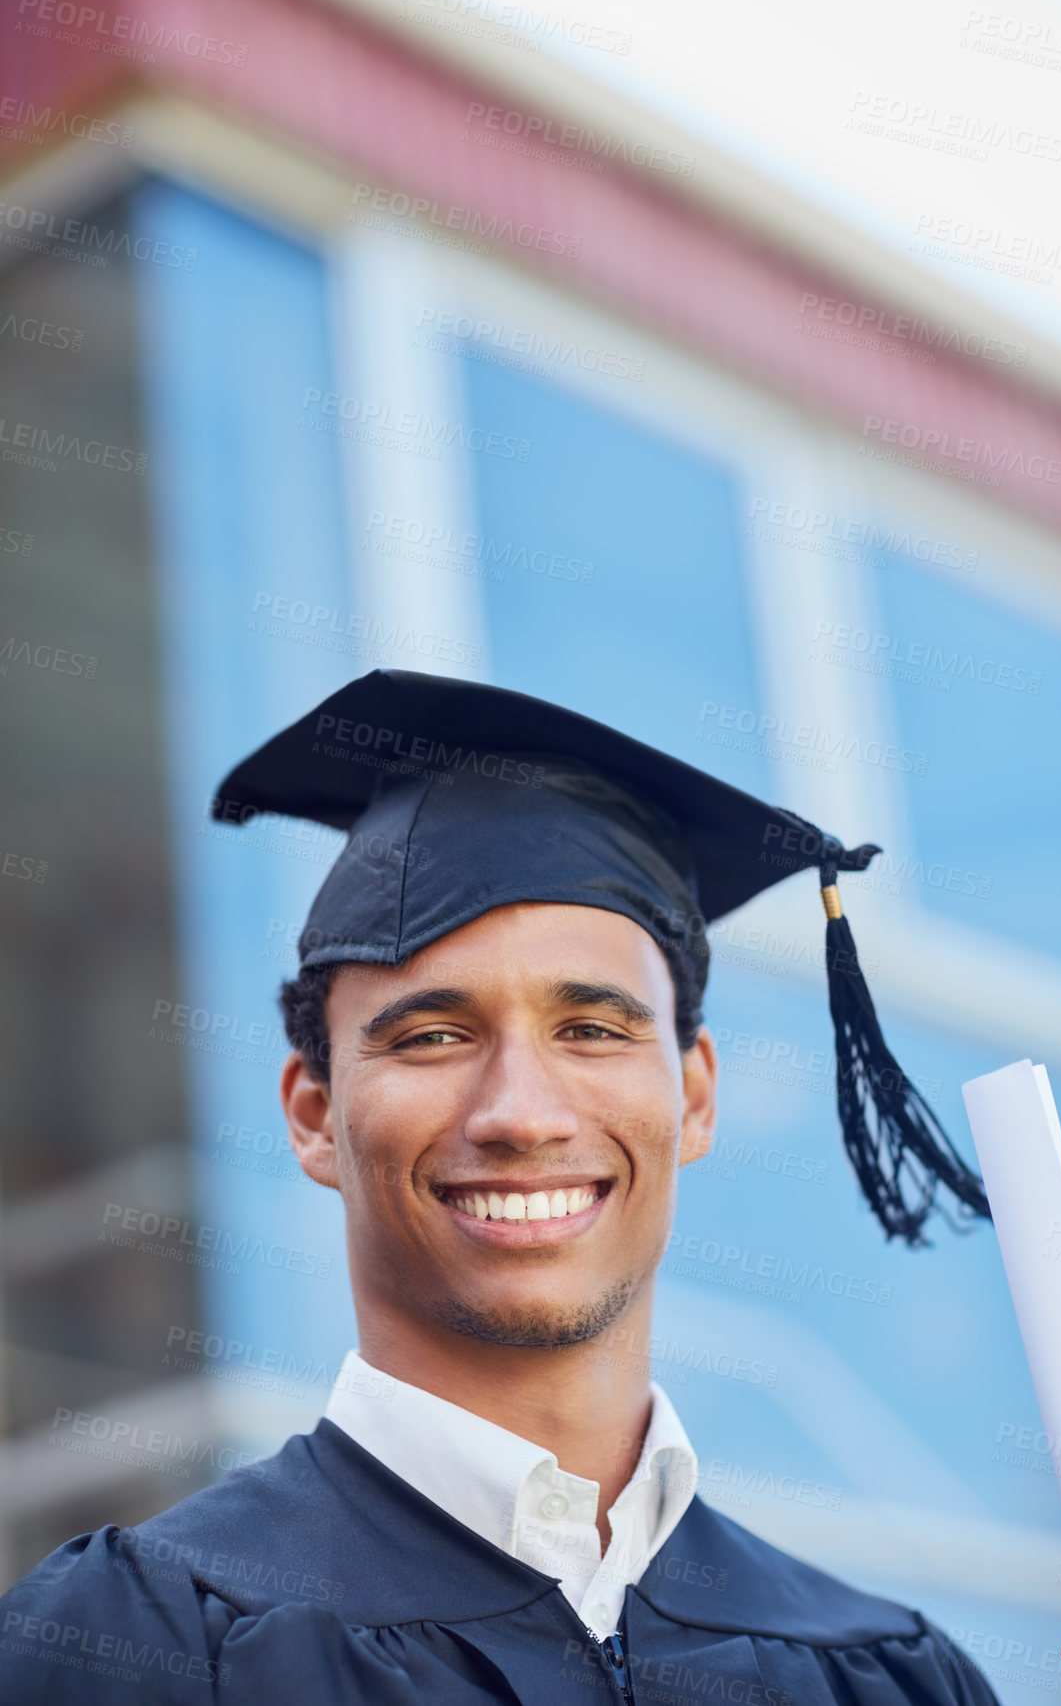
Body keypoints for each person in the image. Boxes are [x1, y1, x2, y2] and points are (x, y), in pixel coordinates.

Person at [0, 671, 998, 1705]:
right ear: (312, 1115)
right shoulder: (126, 1642)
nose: (521, 1111)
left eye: (592, 1030)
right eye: (432, 1036)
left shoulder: (891, 1677)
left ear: (694, 1097)